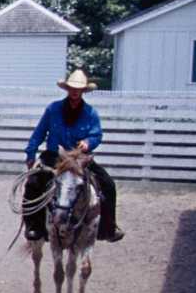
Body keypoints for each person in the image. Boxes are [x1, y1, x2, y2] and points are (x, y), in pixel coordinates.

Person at [23, 68, 124, 243]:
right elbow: (39, 132)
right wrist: (31, 153)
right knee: (33, 184)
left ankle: (108, 226)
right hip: (54, 157)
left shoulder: (90, 113)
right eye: (72, 88)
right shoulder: (53, 109)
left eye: (79, 89)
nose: (75, 92)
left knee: (108, 184)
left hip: (79, 158)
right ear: (67, 89)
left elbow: (97, 135)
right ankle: (33, 226)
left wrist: (88, 143)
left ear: (84, 91)